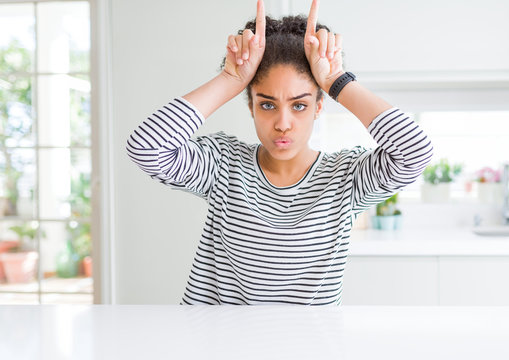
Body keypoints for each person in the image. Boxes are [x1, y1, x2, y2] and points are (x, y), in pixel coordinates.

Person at [126, 0, 433, 305]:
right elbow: (147, 147)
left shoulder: (346, 177)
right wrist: (231, 79)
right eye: (267, 104)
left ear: (318, 106)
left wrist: (336, 81)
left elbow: (415, 152)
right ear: (251, 106)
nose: (283, 124)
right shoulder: (223, 165)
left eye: (299, 105)